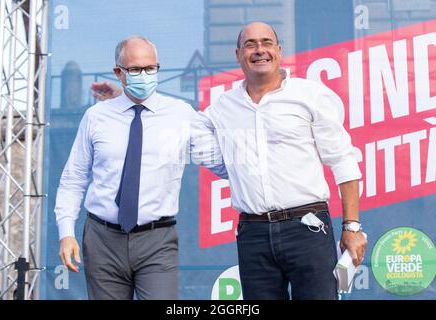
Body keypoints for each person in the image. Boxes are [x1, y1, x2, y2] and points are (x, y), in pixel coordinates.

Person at [91, 22, 367, 300]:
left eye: (266, 42)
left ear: (279, 51)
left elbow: (343, 159)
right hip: (254, 234)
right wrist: (125, 99)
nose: (259, 50)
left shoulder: (309, 95)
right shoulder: (223, 106)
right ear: (238, 55)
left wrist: (351, 227)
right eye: (250, 44)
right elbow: (175, 119)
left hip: (306, 228)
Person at [55, 35, 225, 300]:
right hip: (102, 240)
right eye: (135, 69)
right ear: (118, 73)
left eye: (150, 68)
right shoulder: (96, 117)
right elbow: (73, 178)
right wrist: (66, 233)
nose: (144, 75)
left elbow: (219, 162)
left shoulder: (180, 114)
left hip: (156, 240)